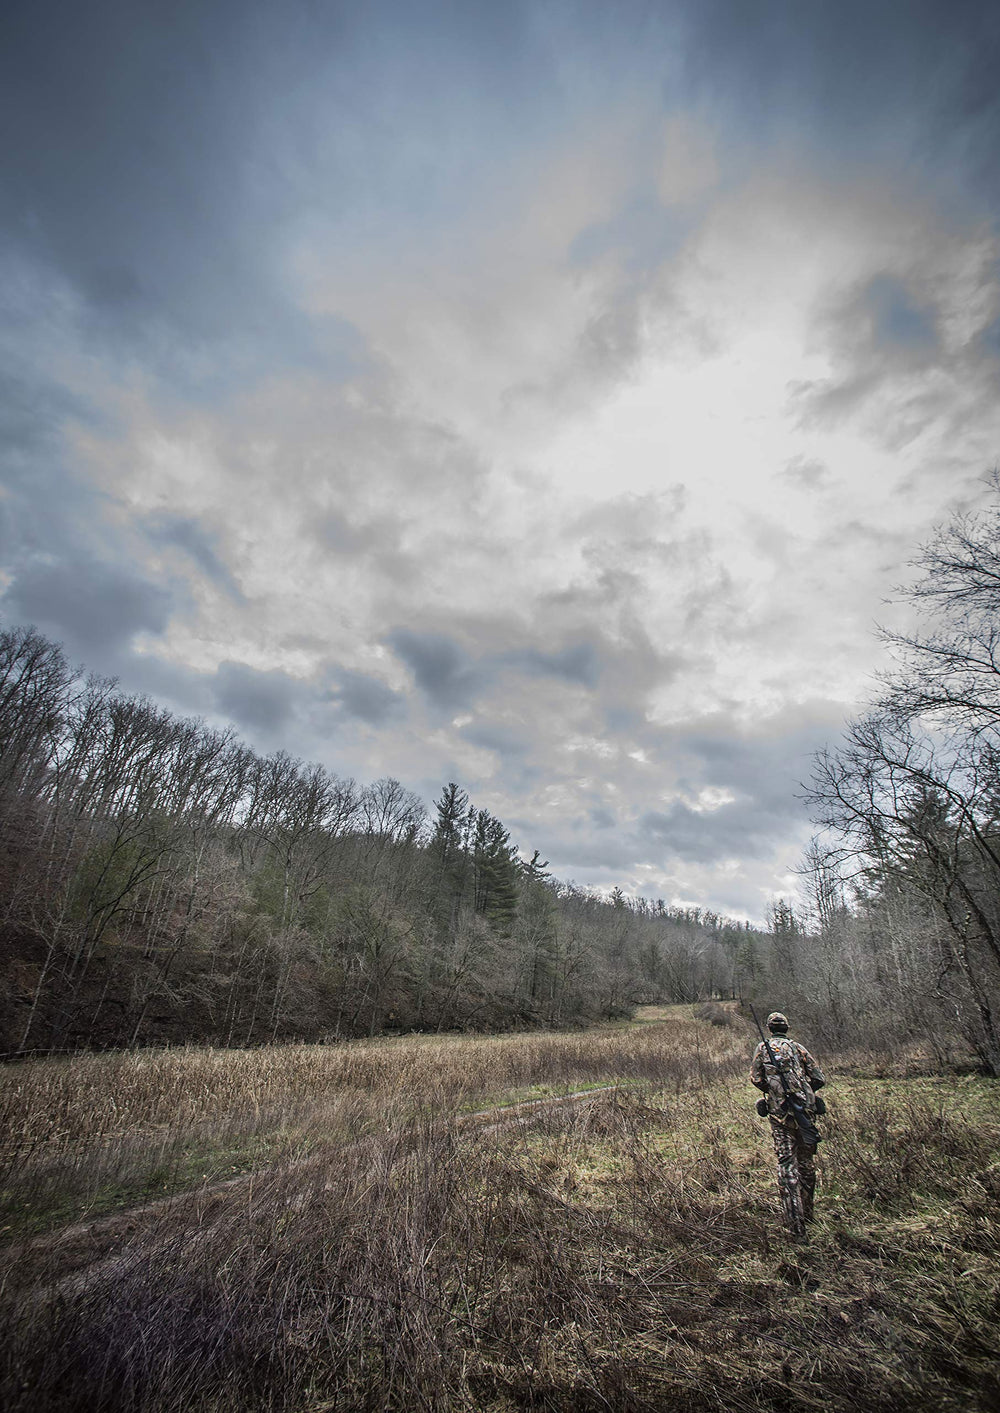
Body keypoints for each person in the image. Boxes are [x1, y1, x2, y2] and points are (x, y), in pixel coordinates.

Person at [750, 1011, 826, 1239]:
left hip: (779, 1116)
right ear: (786, 1027)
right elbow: (818, 1077)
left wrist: (774, 1094)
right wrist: (803, 1095)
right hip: (804, 1112)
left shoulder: (762, 1048)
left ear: (769, 1028)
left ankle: (794, 1224)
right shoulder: (797, 1048)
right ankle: (808, 1213)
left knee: (786, 1166)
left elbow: (756, 1078)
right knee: (806, 1163)